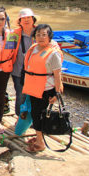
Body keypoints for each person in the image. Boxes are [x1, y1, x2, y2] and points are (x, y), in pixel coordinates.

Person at [22, 24, 63, 153]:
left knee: (38, 115)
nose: (40, 37)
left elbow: (57, 75)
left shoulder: (53, 54)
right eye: (38, 34)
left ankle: (40, 143)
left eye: (44, 34)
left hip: (46, 89)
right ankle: (39, 137)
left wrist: (57, 93)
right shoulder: (34, 48)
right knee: (35, 113)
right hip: (34, 87)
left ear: (49, 37)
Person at [10, 8, 37, 117]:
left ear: (33, 19)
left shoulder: (40, 33)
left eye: (28, 18)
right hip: (18, 71)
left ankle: (32, 118)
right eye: (23, 18)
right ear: (19, 21)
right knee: (20, 95)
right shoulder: (14, 34)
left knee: (34, 96)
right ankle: (19, 117)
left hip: (36, 72)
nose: (26, 20)